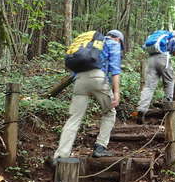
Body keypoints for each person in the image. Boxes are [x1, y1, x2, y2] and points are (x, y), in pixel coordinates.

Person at [53, 29, 124, 163]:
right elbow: (115, 70)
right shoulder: (113, 44)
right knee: (109, 112)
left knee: (74, 118)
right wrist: (116, 92)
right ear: (118, 39)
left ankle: (61, 155)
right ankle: (100, 147)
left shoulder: (91, 43)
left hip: (80, 79)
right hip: (98, 78)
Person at [136, 30, 175, 124]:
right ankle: (168, 111)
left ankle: (141, 110)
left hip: (151, 59)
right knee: (169, 83)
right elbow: (174, 50)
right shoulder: (173, 37)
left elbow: (144, 46)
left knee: (149, 87)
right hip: (163, 59)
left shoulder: (158, 36)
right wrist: (174, 52)